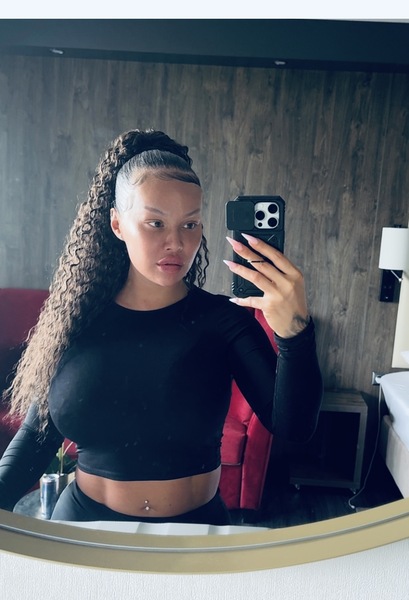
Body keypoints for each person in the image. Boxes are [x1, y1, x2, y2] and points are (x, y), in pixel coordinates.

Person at [0, 128, 322, 525]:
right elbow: (35, 438)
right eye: (155, 223)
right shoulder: (74, 321)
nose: (177, 243)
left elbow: (293, 426)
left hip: (195, 533)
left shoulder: (225, 321)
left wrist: (295, 332)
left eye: (190, 224)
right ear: (117, 224)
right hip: (83, 530)